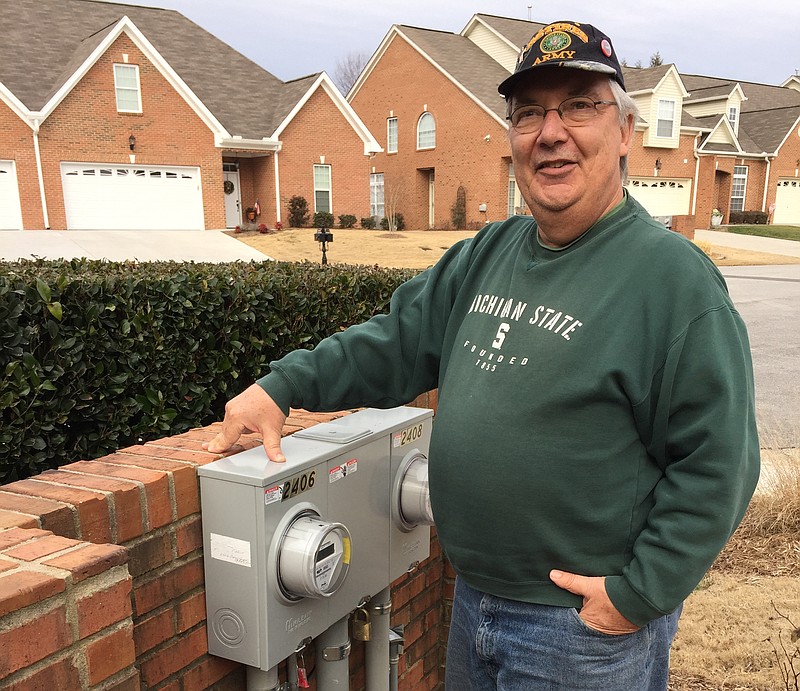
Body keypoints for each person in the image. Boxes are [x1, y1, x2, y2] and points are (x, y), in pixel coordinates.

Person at [205, 20, 760, 691]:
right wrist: (282, 385)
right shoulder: (487, 255)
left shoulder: (672, 280)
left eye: (580, 105)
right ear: (513, 139)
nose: (551, 131)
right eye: (529, 113)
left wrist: (637, 595)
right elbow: (396, 341)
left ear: (624, 133)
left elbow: (720, 462)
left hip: (579, 635)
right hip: (474, 604)